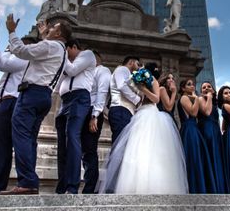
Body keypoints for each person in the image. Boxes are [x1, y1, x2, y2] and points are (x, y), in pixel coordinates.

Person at [0, 16, 71, 196]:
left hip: (31, 94)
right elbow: (41, 54)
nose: (50, 28)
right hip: (44, 96)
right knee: (30, 138)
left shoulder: (51, 46)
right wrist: (44, 36)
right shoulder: (61, 50)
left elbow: (21, 50)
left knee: (21, 135)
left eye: (53, 27)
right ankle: (29, 181)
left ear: (59, 33)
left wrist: (11, 31)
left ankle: (27, 181)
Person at [98, 62, 187, 194]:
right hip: (139, 114)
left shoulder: (154, 82)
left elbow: (156, 99)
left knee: (150, 149)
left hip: (150, 113)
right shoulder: (141, 81)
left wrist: (143, 89)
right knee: (136, 149)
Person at [0, 43, 29, 195]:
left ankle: (14, 183)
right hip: (6, 102)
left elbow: (3, 64)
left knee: (8, 145)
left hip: (13, 101)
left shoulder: (23, 58)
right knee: (1, 147)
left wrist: (6, 50)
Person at [55, 39, 95, 194]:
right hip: (65, 100)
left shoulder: (87, 55)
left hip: (79, 99)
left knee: (72, 137)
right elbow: (58, 85)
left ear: (74, 47)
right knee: (62, 144)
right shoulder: (67, 62)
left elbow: (72, 70)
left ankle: (72, 186)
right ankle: (62, 185)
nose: (66, 55)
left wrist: (62, 56)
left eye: (66, 51)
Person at [178, 78, 216, 193]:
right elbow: (193, 113)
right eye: (189, 85)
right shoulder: (184, 98)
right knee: (193, 157)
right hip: (189, 130)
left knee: (198, 157)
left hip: (194, 129)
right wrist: (196, 98)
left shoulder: (192, 98)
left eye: (193, 84)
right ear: (183, 88)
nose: (192, 86)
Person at [80, 50, 111, 194]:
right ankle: (88, 183)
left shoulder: (102, 70)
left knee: (89, 149)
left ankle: (90, 187)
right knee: (83, 150)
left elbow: (102, 93)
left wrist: (95, 115)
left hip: (93, 111)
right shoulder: (86, 73)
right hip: (83, 110)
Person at [197, 81, 227, 194]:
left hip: (215, 131)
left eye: (209, 87)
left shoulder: (215, 104)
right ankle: (211, 187)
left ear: (213, 90)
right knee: (209, 155)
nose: (206, 88)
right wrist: (209, 97)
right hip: (206, 130)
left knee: (217, 157)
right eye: (203, 87)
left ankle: (219, 186)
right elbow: (207, 112)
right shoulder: (200, 99)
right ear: (201, 91)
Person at [107, 56, 141, 143]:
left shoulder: (127, 73)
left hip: (124, 110)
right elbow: (121, 85)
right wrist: (136, 99)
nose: (138, 67)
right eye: (137, 64)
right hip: (121, 109)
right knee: (120, 142)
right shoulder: (123, 69)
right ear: (131, 62)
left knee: (123, 143)